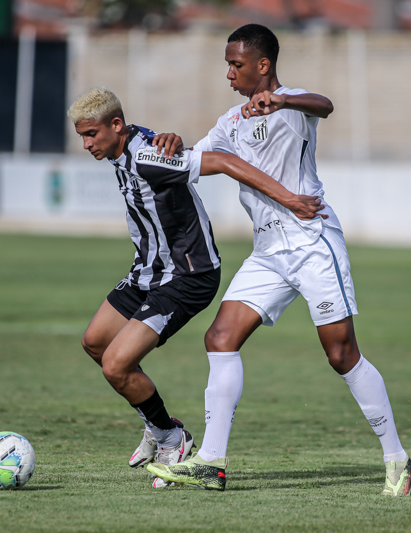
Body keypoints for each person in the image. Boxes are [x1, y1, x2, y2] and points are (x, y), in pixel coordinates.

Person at [147, 24, 411, 495]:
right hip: (268, 251)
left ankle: (398, 459)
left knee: (341, 354)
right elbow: (194, 159)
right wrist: (169, 141)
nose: (229, 73)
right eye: (227, 65)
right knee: (221, 337)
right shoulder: (230, 122)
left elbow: (325, 105)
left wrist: (284, 101)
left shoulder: (295, 104)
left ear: (263, 65)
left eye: (236, 64)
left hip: (312, 240)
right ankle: (212, 461)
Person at [68, 87, 326, 488]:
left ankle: (174, 440)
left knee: (116, 364)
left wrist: (290, 200)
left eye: (91, 135)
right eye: (81, 136)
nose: (86, 144)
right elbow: (156, 139)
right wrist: (170, 137)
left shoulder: (147, 157)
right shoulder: (126, 143)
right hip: (148, 271)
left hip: (187, 276)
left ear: (115, 125)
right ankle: (159, 426)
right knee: (95, 342)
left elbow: (223, 161)